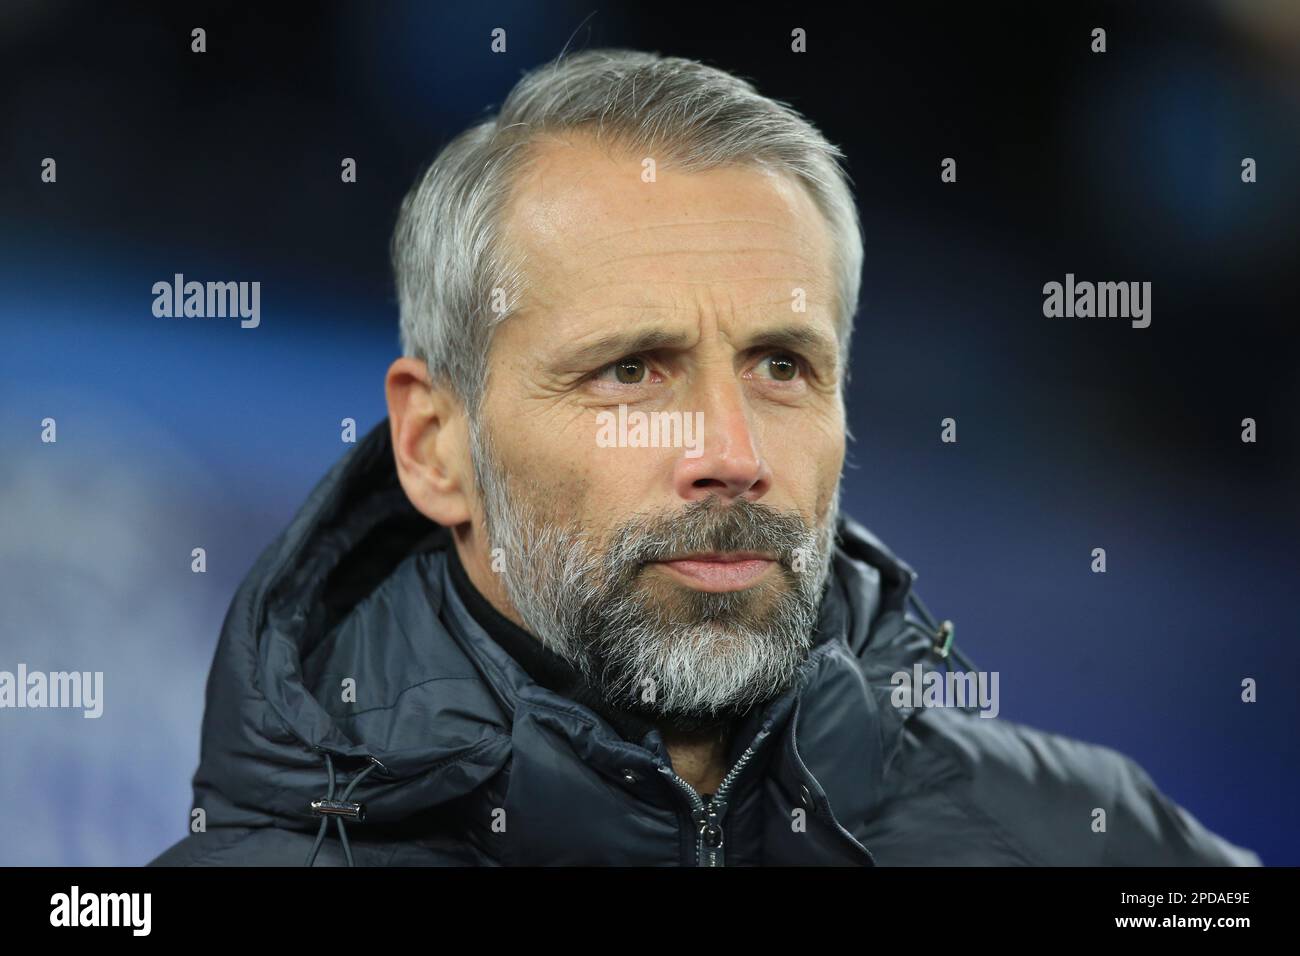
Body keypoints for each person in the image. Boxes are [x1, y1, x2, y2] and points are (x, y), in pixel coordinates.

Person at [151, 48, 1258, 866]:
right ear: (435, 447)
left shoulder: (1092, 842)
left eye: (781, 366)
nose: (731, 455)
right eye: (632, 369)